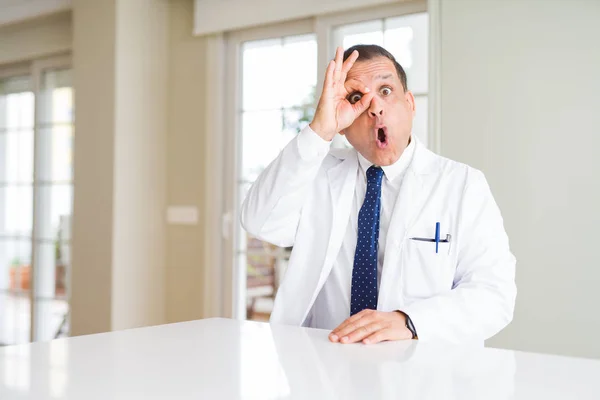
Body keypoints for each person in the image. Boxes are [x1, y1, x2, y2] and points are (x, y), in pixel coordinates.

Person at [241, 44, 516, 345]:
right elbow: (259, 221)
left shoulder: (463, 185)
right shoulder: (315, 172)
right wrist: (320, 129)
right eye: (357, 98)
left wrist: (410, 322)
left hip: (421, 374)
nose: (374, 107)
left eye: (385, 91)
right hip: (324, 364)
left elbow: (495, 295)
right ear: (342, 126)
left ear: (410, 104)